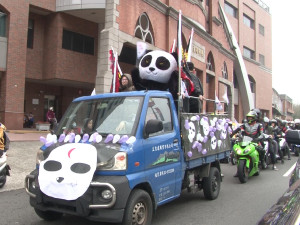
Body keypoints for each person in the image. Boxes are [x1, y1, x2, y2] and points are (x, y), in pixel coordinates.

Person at [231, 111, 265, 176]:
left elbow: (261, 134)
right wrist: (231, 134)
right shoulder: (244, 125)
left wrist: (258, 138)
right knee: (237, 152)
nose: (249, 119)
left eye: (251, 118)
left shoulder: (259, 125)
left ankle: (262, 162)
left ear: (254, 118)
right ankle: (239, 171)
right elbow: (237, 130)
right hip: (245, 141)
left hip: (255, 141)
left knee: (261, 150)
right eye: (248, 118)